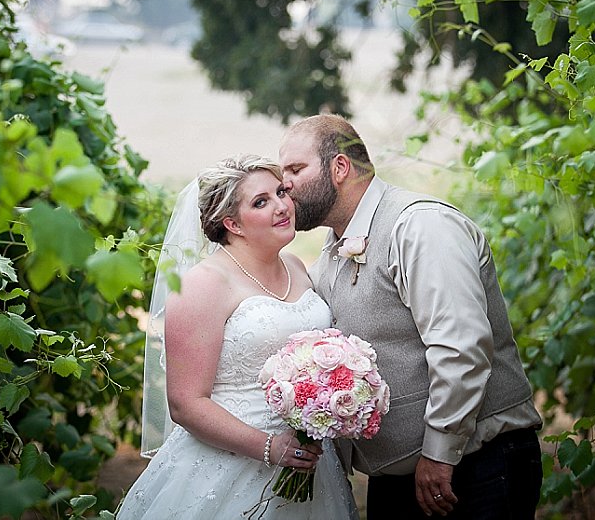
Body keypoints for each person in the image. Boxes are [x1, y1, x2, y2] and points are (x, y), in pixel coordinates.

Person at [279, 114, 543, 519]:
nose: (286, 185)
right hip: (400, 482)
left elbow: (461, 348)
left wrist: (439, 453)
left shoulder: (420, 226)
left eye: (296, 169)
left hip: (473, 468)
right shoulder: (332, 252)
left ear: (339, 168)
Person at [116, 154, 358, 520]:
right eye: (261, 202)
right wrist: (270, 447)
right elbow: (185, 403)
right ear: (232, 223)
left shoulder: (294, 265)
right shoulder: (203, 283)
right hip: (230, 463)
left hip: (308, 459)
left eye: (280, 192)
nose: (282, 206)